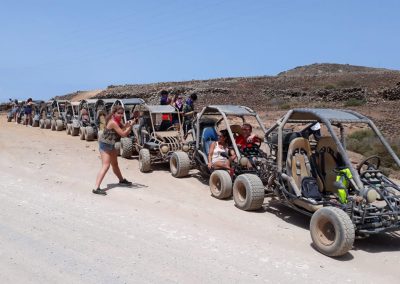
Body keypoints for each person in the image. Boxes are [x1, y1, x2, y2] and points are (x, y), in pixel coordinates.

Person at [93, 106, 134, 195]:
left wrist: (128, 124)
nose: (120, 115)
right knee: (106, 166)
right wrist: (130, 126)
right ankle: (96, 188)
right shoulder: (113, 122)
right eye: (118, 113)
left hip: (111, 145)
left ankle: (121, 180)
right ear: (114, 113)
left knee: (115, 164)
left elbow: (122, 129)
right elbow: (123, 134)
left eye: (121, 113)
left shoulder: (118, 121)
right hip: (105, 145)